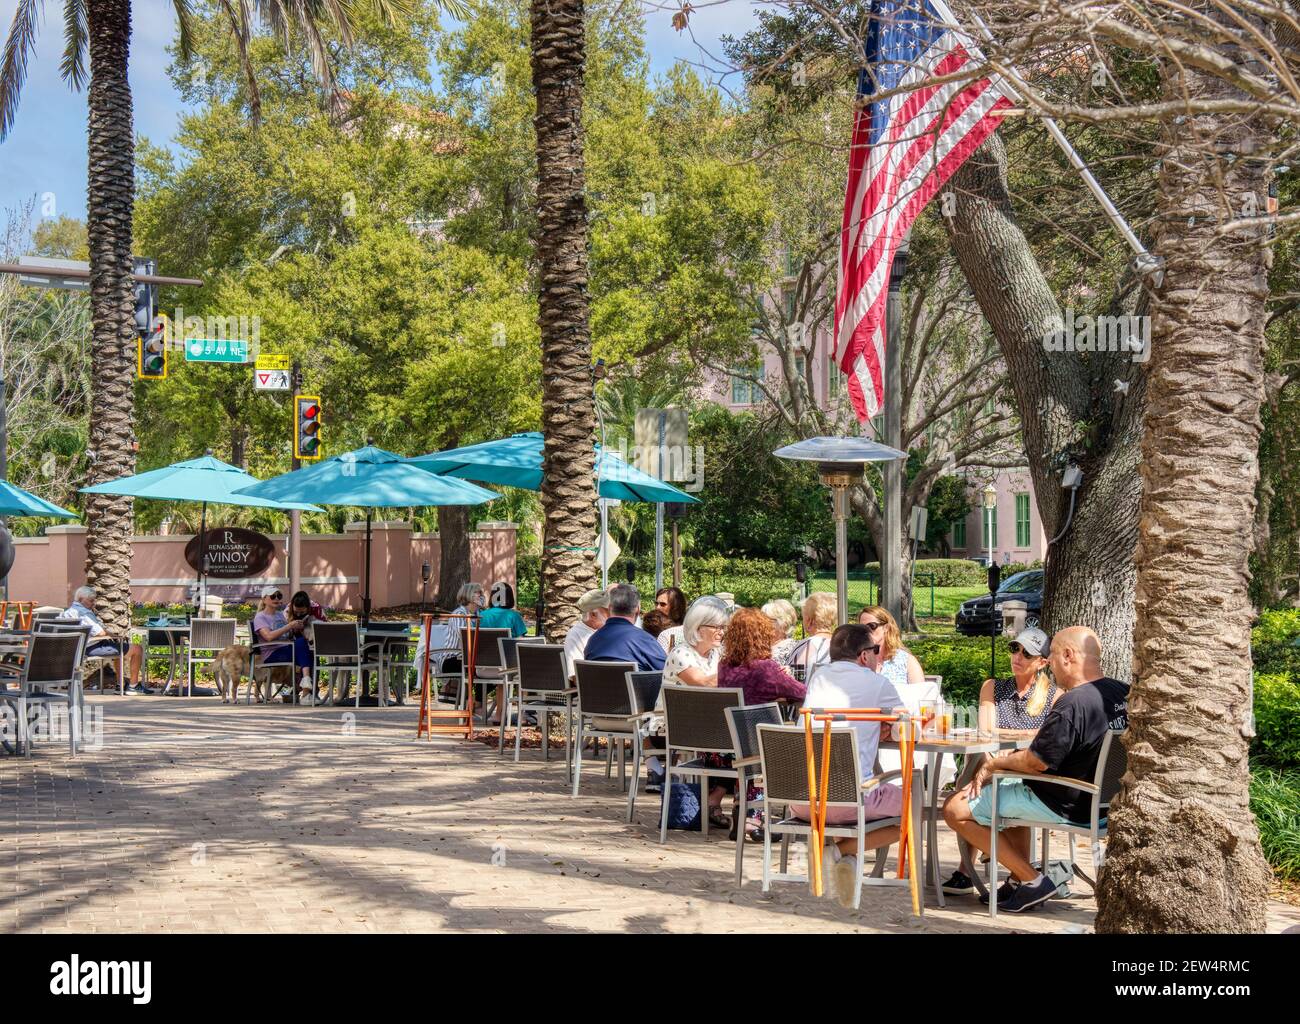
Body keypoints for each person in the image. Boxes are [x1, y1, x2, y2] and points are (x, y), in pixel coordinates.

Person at [942, 626, 1129, 913]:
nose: (1051, 666)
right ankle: (1019, 881)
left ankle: (1033, 880)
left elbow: (1035, 763)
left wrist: (995, 763)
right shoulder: (1123, 693)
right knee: (1008, 791)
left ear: (1067, 656)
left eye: (1051, 657)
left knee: (955, 808)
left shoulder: (1072, 703)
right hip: (1108, 806)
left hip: (1064, 803)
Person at [790, 623, 907, 907]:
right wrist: (887, 726)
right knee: (914, 805)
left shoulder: (817, 679)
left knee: (852, 783)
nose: (879, 656)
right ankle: (840, 851)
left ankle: (843, 857)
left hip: (801, 800)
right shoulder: (878, 683)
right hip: (848, 802)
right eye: (876, 650)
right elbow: (907, 728)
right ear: (864, 656)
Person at [940, 626, 1057, 895]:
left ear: (1042, 662)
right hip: (989, 759)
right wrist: (1014, 743)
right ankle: (1006, 872)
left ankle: (975, 870)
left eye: (1027, 653)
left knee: (1001, 779)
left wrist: (1011, 751)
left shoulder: (1054, 695)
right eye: (1014, 649)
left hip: (1027, 768)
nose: (1017, 656)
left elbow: (1045, 739)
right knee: (982, 766)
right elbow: (986, 731)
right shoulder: (993, 687)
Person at [60, 586, 145, 692]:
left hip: (76, 647)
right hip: (90, 647)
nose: (93, 603)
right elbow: (100, 632)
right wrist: (112, 635)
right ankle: (134, 686)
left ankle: (120, 684)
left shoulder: (67, 612)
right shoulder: (83, 613)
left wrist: (111, 635)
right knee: (137, 649)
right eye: (91, 600)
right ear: (81, 599)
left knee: (119, 645)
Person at [718, 607, 806, 706]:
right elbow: (803, 693)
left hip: (730, 721)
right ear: (764, 636)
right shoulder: (765, 668)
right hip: (760, 721)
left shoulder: (723, 666)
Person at [582, 583, 666, 671]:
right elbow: (668, 671)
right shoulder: (644, 640)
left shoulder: (592, 641)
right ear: (637, 610)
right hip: (636, 685)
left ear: (610, 608)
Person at [251, 585, 308, 701]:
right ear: (264, 599)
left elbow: (287, 635)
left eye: (279, 596)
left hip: (286, 648)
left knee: (310, 652)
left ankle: (308, 689)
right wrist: (289, 626)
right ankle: (306, 690)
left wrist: (296, 628)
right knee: (304, 647)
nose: (276, 599)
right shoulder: (260, 617)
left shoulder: (280, 615)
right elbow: (269, 637)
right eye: (273, 596)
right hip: (272, 653)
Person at [661, 596, 728, 688]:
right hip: (680, 702)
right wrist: (739, 674)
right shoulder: (680, 653)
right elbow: (703, 683)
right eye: (716, 627)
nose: (721, 632)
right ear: (697, 628)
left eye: (723, 627)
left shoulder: (715, 653)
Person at [857, 606, 925, 688]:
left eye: (871, 626)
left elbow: (921, 695)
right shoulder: (856, 660)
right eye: (861, 628)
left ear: (886, 628)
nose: (866, 631)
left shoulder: (906, 661)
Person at [286, 590, 326, 699]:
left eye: (302, 612)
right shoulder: (287, 609)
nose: (298, 614)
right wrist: (292, 626)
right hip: (295, 642)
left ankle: (311, 692)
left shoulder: (317, 609)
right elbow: (283, 631)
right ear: (292, 606)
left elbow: (323, 629)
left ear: (308, 608)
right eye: (296, 612)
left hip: (313, 641)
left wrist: (305, 629)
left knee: (312, 654)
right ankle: (306, 691)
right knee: (306, 651)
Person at [563, 588, 610, 677]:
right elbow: (576, 676)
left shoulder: (609, 630)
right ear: (593, 615)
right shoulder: (576, 634)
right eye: (608, 612)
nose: (612, 615)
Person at [786, 591, 836, 674]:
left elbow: (793, 680)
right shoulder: (842, 644)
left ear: (809, 620)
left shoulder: (806, 646)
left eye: (803, 617)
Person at [763, 599, 800, 666]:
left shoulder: (794, 648)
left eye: (769, 620)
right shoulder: (761, 646)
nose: (763, 624)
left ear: (784, 622)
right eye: (762, 620)